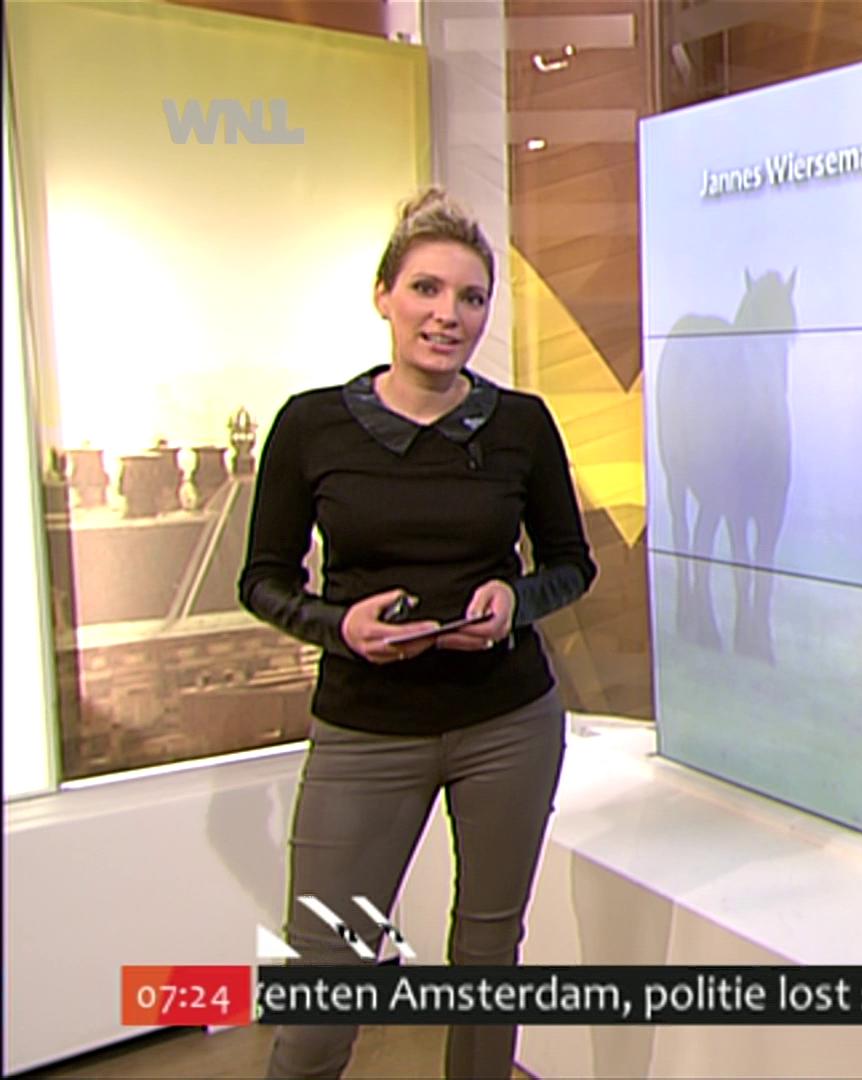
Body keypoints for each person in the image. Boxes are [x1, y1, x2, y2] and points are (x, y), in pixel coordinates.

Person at [239, 187, 596, 1079]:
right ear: (384, 296)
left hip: (508, 724)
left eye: (471, 297)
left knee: (487, 955)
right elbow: (263, 580)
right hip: (365, 731)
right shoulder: (310, 425)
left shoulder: (520, 425)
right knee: (328, 972)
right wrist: (340, 627)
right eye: (427, 290)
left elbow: (570, 563)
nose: (448, 315)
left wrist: (516, 601)